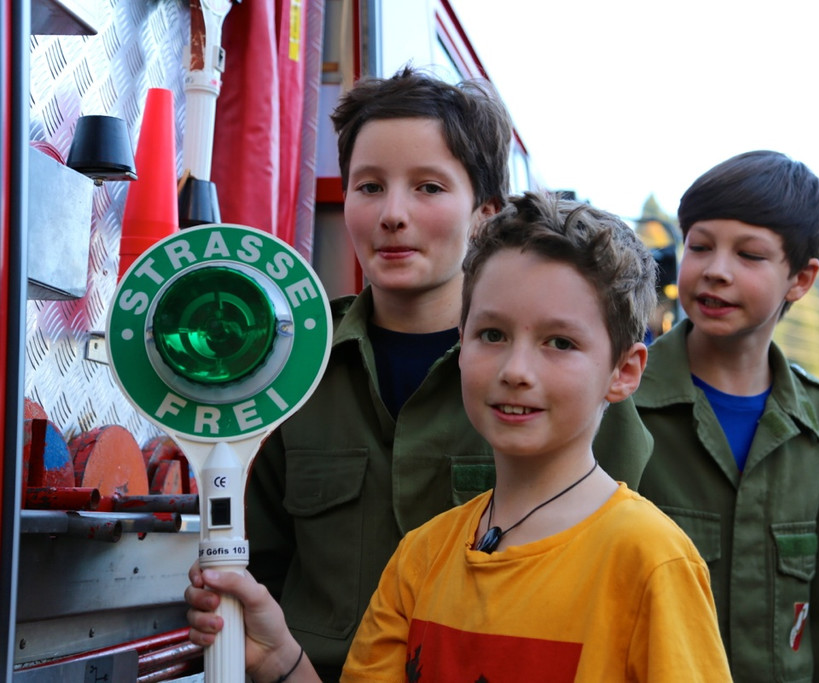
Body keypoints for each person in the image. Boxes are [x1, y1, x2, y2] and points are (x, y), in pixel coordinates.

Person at [187, 192, 731, 682]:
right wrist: (281, 659)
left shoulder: (650, 562)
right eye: (492, 334)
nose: (516, 370)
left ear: (624, 372)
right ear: (460, 345)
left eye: (560, 343)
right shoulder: (421, 556)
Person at [243, 68, 652, 681]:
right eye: (369, 186)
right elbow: (260, 566)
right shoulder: (295, 364)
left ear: (485, 213)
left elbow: (618, 564)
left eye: (428, 187)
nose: (392, 214)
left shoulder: (568, 385)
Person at [634, 150, 819, 682]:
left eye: (749, 255)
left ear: (800, 278)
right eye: (700, 246)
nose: (716, 270)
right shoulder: (619, 403)